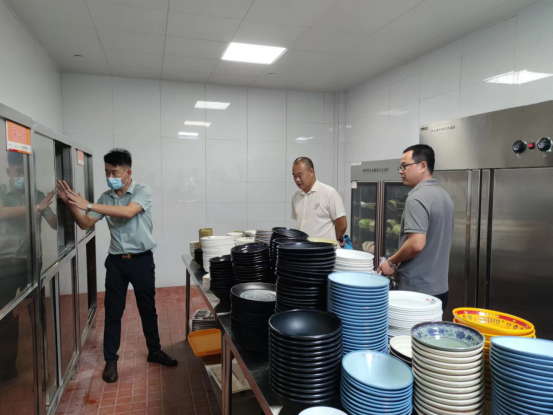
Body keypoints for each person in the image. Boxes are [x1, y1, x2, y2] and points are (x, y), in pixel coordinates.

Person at [56, 148, 176, 383]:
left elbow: (128, 212)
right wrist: (71, 204)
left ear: (128, 172)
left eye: (114, 172)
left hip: (141, 260)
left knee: (147, 309)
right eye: (106, 172)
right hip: (116, 263)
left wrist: (89, 205)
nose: (110, 176)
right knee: (113, 312)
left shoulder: (142, 191)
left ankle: (154, 351)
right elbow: (85, 223)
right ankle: (111, 360)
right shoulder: (105, 197)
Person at [0, 151, 56, 380]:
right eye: (18, 172)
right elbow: (1, 214)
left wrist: (67, 206)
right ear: (8, 172)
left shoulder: (38, 195)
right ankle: (6, 368)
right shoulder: (2, 192)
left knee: (37, 313)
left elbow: (54, 223)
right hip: (5, 265)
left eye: (26, 172)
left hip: (31, 264)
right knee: (5, 318)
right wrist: (36, 208)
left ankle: (43, 361)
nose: (22, 177)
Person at [378, 145, 454, 311]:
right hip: (440, 289)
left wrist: (391, 262)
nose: (401, 171)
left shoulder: (416, 198)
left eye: (405, 166)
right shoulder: (445, 196)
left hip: (417, 291)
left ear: (423, 166)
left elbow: (416, 244)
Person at [291, 157, 347, 245]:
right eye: (294, 176)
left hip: (324, 251)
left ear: (311, 172)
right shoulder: (296, 195)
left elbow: (342, 225)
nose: (297, 179)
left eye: (300, 175)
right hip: (302, 249)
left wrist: (331, 240)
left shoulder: (329, 193)